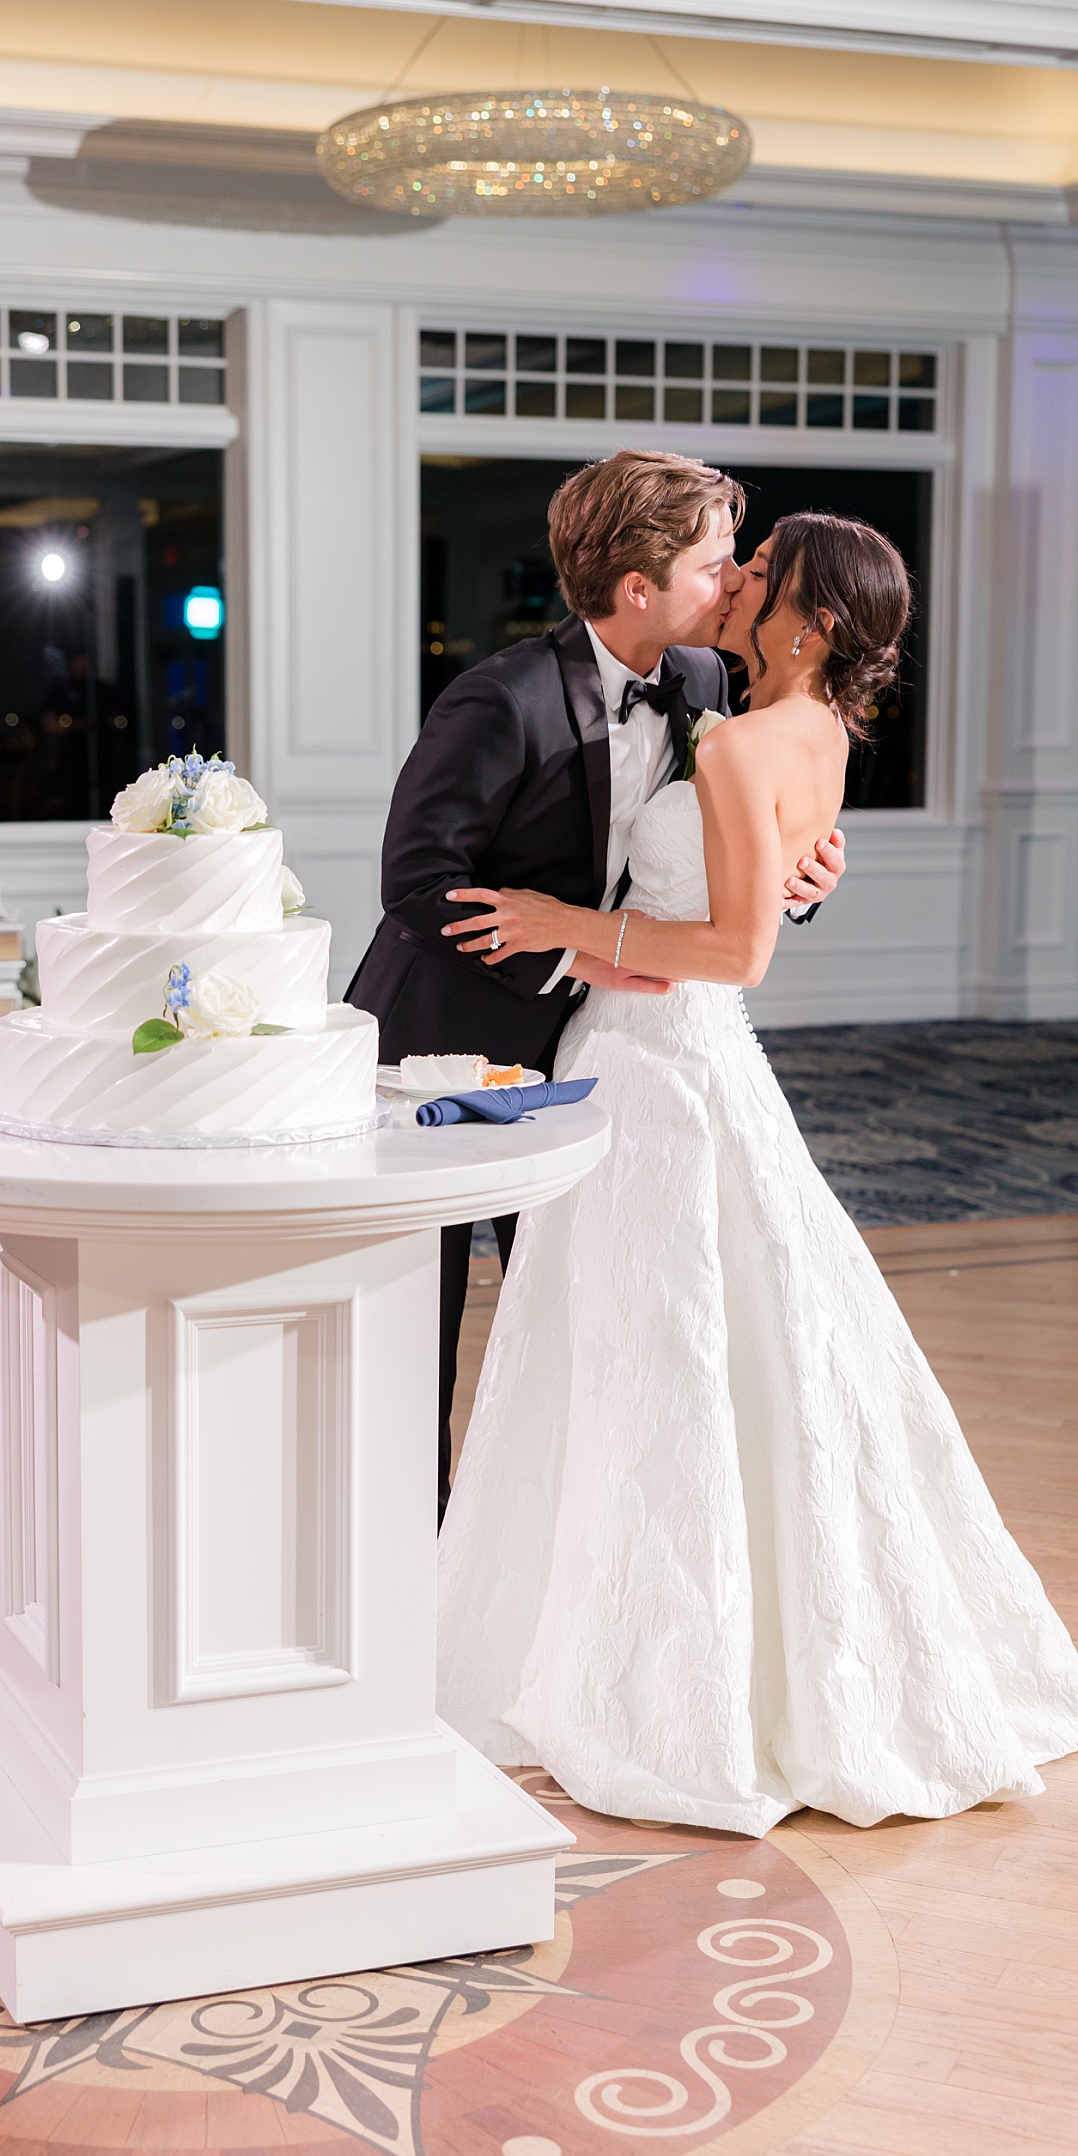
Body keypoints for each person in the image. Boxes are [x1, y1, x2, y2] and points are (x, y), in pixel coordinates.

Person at [434, 511, 1078, 1835]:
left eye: (762, 574)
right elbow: (757, 893)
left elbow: (739, 949)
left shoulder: (738, 740)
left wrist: (563, 925)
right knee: (687, 1343)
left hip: (658, 1063)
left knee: (647, 1353)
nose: (740, 577)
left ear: (810, 624)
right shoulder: (810, 730)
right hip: (683, 1052)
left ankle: (650, 1673)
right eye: (736, 561)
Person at [345, 452, 847, 1519]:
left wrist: (800, 883)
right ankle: (401, 1543)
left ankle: (535, 1540)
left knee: (569, 1311)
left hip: (598, 1053)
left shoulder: (704, 682)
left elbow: (723, 857)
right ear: (637, 588)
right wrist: (572, 953)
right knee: (418, 1312)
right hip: (443, 1039)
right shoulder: (501, 698)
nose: (733, 583)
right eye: (714, 565)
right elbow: (416, 883)